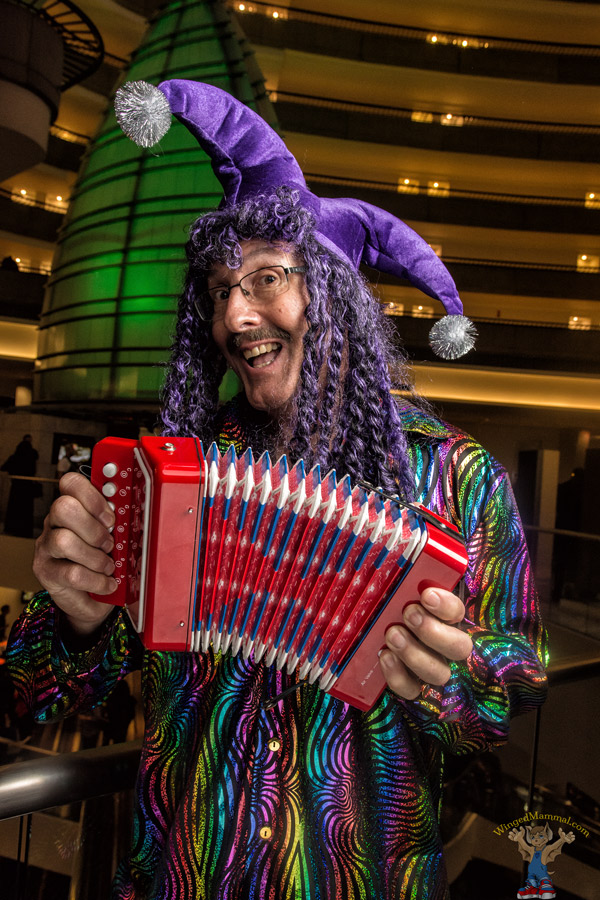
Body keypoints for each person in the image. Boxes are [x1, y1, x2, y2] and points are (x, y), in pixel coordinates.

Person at [7, 80, 547, 900]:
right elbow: (37, 690)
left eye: (264, 278)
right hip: (182, 879)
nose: (235, 315)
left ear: (331, 296)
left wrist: (458, 672)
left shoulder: (459, 477)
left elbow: (516, 687)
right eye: (221, 289)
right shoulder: (174, 477)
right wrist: (76, 621)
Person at [1, 434, 40, 537]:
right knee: (25, 510)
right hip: (27, 487)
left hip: (16, 487)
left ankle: (12, 529)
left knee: (14, 509)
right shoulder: (32, 455)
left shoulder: (15, 457)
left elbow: (4, 467)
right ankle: (24, 531)